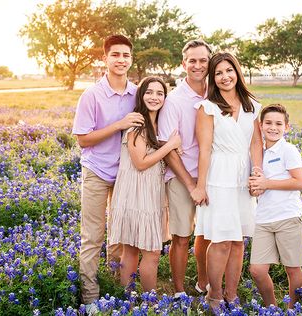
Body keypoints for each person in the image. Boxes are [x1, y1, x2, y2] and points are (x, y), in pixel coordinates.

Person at [72, 34, 144, 315]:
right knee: (92, 235)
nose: (121, 60)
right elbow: (83, 139)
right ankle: (90, 296)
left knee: (120, 234)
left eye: (126, 55)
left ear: (131, 59)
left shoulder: (137, 93)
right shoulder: (91, 95)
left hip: (126, 173)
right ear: (105, 58)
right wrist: (119, 125)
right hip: (97, 170)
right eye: (115, 55)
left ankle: (117, 287)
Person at [191, 52, 263, 311]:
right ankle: (214, 294)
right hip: (218, 176)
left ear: (237, 72)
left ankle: (232, 294)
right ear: (212, 77)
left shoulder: (252, 105)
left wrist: (257, 173)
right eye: (218, 73)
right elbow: (205, 149)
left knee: (237, 240)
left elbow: (256, 142)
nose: (224, 77)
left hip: (243, 177)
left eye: (229, 71)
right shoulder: (207, 107)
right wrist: (200, 185)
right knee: (220, 239)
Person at [108, 76, 181, 292]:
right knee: (150, 252)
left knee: (132, 250)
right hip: (137, 194)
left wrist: (168, 145)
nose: (154, 97)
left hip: (145, 193)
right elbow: (140, 163)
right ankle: (149, 301)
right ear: (141, 95)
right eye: (149, 92)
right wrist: (170, 146)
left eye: (160, 93)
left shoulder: (155, 125)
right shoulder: (137, 123)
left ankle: (128, 299)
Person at [158, 39, 212, 298]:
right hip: (182, 177)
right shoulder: (174, 100)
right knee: (181, 236)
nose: (198, 65)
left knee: (209, 233)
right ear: (184, 63)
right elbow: (168, 150)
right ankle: (179, 291)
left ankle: (204, 283)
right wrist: (191, 184)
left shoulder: (217, 93)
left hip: (212, 175)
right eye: (193, 60)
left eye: (203, 60)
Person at [248, 103, 302, 309]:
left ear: (287, 127)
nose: (273, 127)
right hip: (263, 218)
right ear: (261, 126)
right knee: (257, 270)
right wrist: (255, 188)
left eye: (279, 124)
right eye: (269, 123)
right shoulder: (257, 153)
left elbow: (300, 182)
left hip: (288, 216)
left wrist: (267, 184)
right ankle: (271, 308)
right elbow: (257, 186)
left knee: (292, 269)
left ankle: (293, 309)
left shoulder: (288, 150)